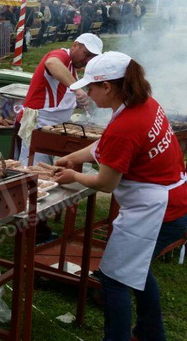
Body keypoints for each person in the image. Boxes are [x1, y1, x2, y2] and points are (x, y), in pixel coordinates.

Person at [53, 52, 187, 341]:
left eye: (91, 87)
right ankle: (152, 333)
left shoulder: (126, 125)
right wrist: (71, 157)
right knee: (136, 268)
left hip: (157, 211)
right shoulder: (143, 104)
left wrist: (74, 176)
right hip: (173, 199)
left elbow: (105, 183)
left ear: (108, 87)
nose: (88, 92)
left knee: (113, 278)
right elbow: (105, 144)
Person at [17, 33, 103, 164]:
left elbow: (63, 96)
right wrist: (77, 89)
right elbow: (51, 63)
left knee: (46, 170)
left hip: (54, 128)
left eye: (92, 57)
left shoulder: (72, 68)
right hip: (38, 124)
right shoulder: (62, 55)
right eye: (86, 54)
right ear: (75, 46)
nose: (87, 60)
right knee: (32, 170)